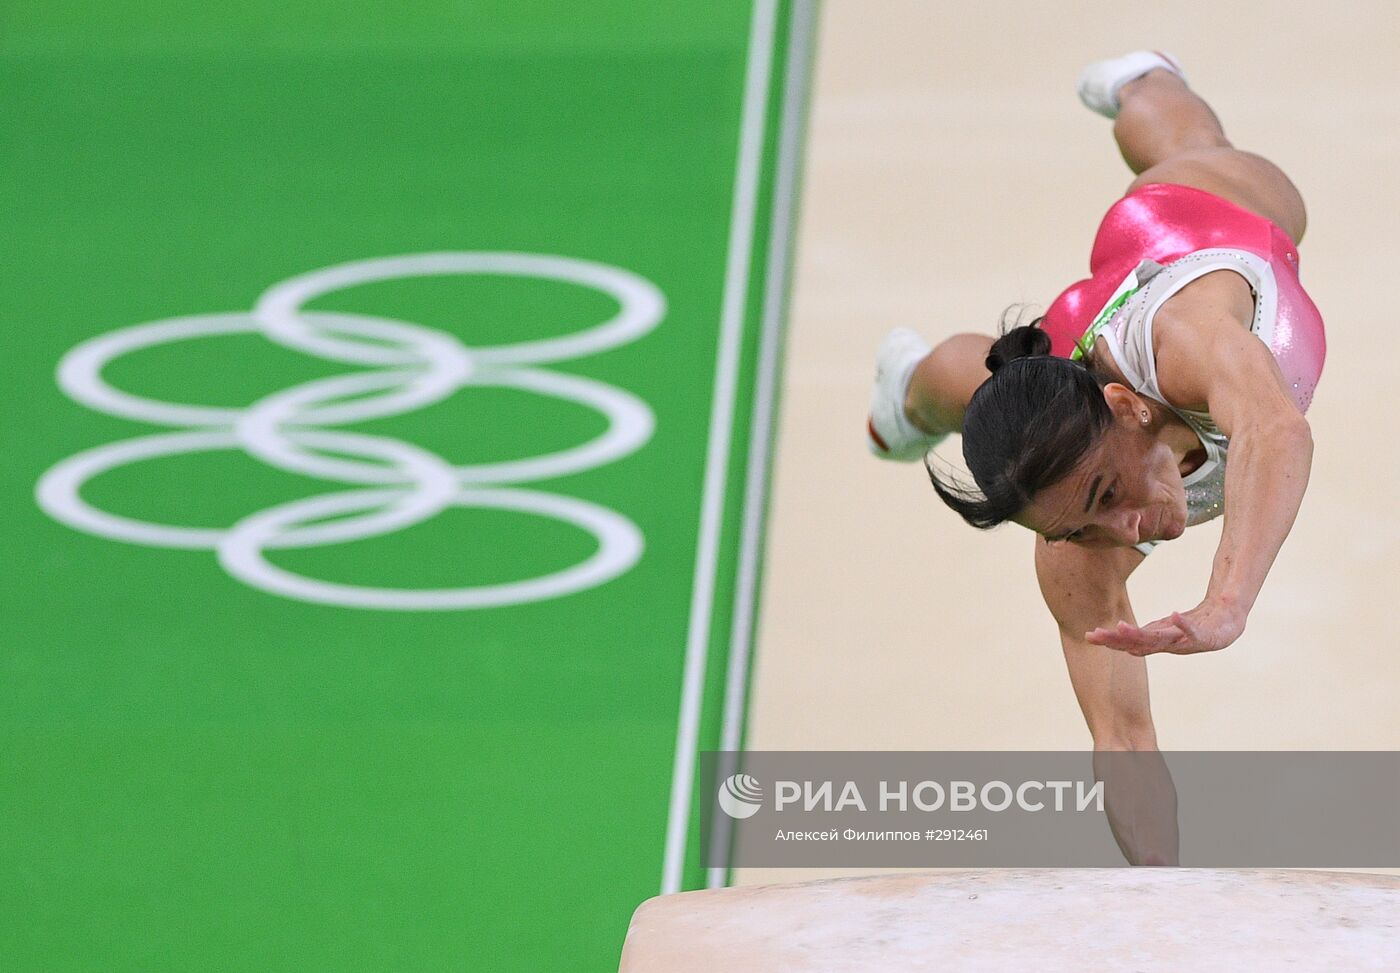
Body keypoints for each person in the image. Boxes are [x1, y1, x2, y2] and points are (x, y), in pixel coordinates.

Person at [866, 53, 1324, 768]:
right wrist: (1151, 873)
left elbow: (1278, 430)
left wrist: (1226, 600)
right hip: (1073, 348)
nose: (1123, 530)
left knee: (1205, 157)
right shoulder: (1072, 539)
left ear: (1128, 407)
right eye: (1083, 525)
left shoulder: (1189, 344)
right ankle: (907, 395)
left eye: (1108, 494)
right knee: (986, 381)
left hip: (1187, 224)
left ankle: (1143, 83)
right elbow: (1124, 742)